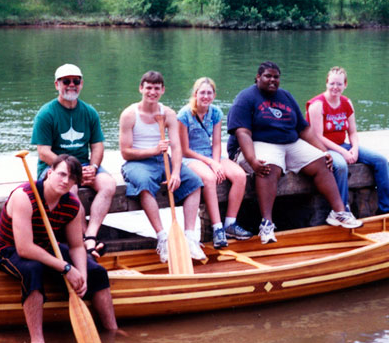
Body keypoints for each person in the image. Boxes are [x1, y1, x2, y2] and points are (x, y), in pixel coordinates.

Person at [0, 155, 119, 343]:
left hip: (45, 247)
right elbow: (24, 249)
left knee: (97, 272)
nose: (65, 181)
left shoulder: (71, 204)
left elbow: (76, 246)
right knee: (33, 270)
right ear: (50, 173)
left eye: (71, 178)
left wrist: (81, 275)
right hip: (6, 249)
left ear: (76, 183)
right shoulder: (25, 196)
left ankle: (112, 330)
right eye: (61, 174)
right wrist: (66, 268)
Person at [227, 61, 362, 244]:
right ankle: (266, 223)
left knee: (322, 162)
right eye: (268, 76)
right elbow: (242, 132)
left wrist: (324, 151)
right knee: (268, 166)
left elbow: (304, 130)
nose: (272, 80)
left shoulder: (285, 96)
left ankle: (338, 212)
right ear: (258, 78)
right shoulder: (246, 98)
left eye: (276, 77)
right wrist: (251, 160)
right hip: (257, 143)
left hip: (290, 143)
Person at [118, 71, 205, 263]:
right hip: (137, 163)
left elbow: (176, 146)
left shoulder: (168, 114)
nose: (152, 92)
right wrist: (153, 150)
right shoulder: (129, 115)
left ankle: (190, 237)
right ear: (141, 88)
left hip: (163, 160)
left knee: (195, 182)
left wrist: (175, 172)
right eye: (148, 87)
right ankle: (162, 238)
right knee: (144, 182)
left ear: (162, 90)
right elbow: (125, 152)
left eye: (156, 88)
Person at [31, 63, 116, 259]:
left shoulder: (89, 112)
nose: (71, 85)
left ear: (81, 84)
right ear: (57, 84)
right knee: (71, 187)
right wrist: (71, 172)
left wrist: (93, 167)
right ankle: (83, 238)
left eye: (75, 81)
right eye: (66, 81)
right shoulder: (46, 113)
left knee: (108, 184)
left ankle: (92, 234)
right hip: (52, 167)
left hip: (84, 165)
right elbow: (43, 152)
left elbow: (97, 146)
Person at [306, 66, 389, 215]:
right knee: (341, 165)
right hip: (323, 148)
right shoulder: (317, 105)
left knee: (380, 161)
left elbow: (353, 132)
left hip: (343, 145)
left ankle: (387, 208)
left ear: (345, 85)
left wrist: (354, 148)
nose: (335, 87)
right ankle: (341, 210)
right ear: (326, 83)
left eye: (339, 84)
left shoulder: (347, 103)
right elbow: (318, 137)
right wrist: (344, 152)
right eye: (332, 83)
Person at [176, 77, 253, 249]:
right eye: (202, 92)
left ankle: (230, 224)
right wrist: (211, 163)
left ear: (214, 95)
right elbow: (185, 150)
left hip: (211, 155)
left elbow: (217, 143)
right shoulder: (184, 115)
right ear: (195, 94)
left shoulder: (216, 112)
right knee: (209, 178)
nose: (205, 96)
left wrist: (217, 162)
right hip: (190, 158)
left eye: (209, 93)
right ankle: (217, 228)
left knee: (240, 175)